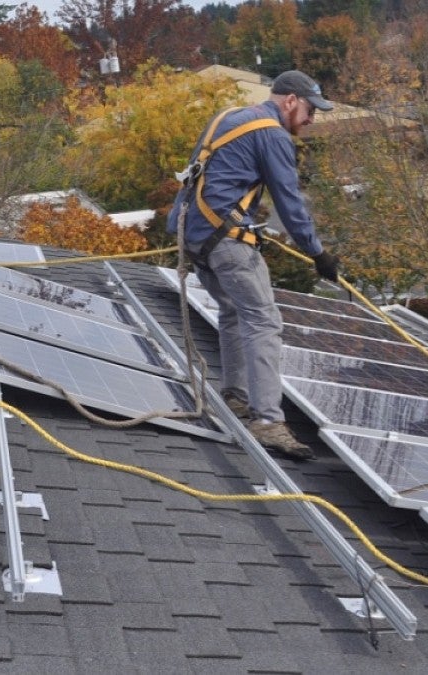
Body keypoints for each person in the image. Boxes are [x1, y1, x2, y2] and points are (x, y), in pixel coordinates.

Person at [167, 70, 341, 460]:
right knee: (264, 321)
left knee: (232, 311)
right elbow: (289, 202)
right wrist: (318, 253)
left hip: (195, 236)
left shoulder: (229, 117)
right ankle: (267, 421)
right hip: (226, 241)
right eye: (312, 110)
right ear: (291, 101)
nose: (313, 120)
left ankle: (237, 397)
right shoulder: (273, 134)